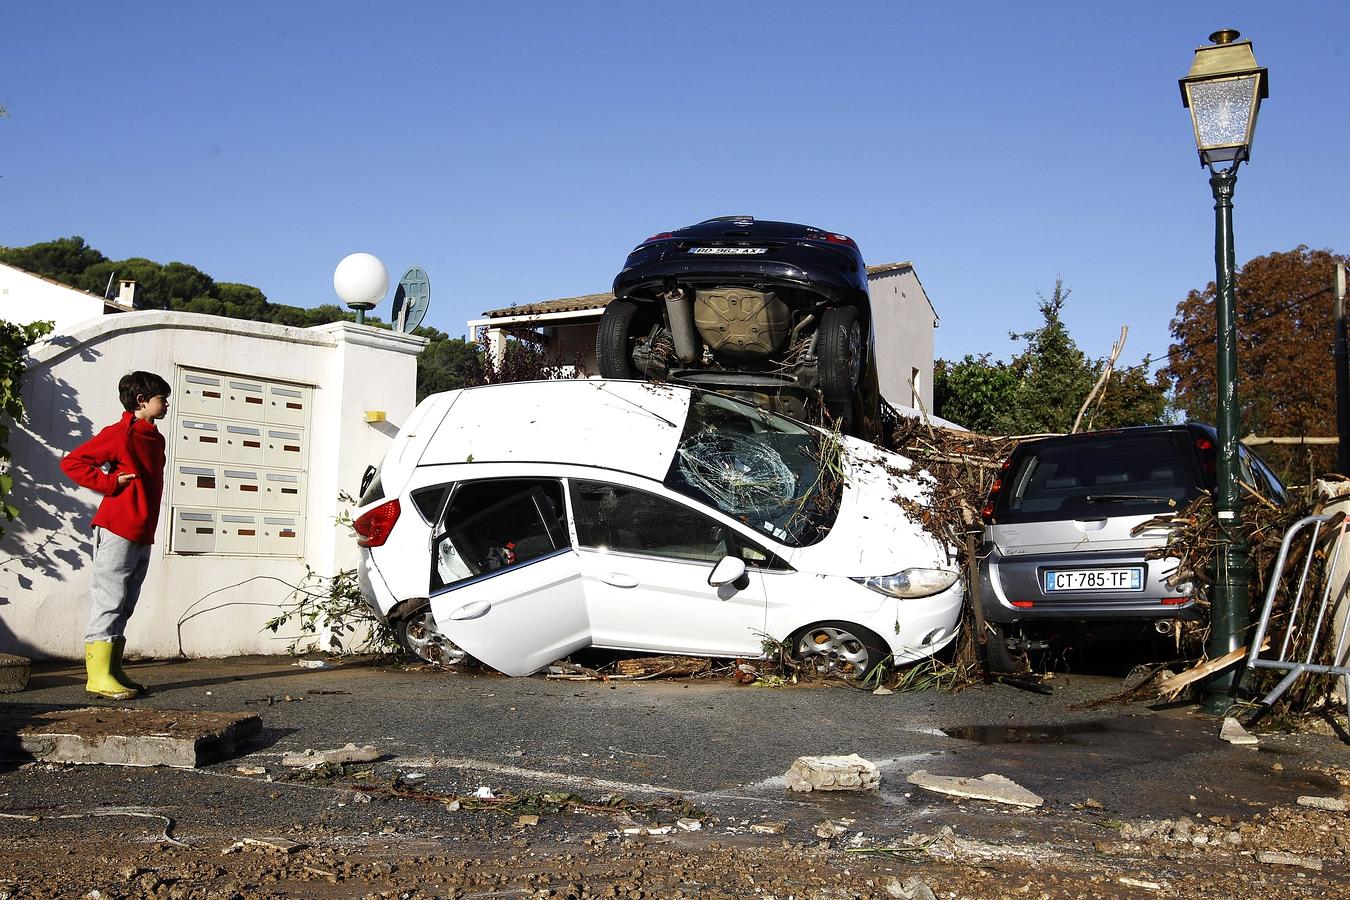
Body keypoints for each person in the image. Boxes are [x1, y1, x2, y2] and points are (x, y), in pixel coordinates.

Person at [60, 371, 171, 700]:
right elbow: (73, 463)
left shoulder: (156, 438)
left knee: (126, 602)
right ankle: (97, 677)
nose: (166, 404)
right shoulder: (120, 434)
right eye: (161, 399)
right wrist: (110, 483)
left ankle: (112, 669)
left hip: (142, 530)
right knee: (109, 599)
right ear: (142, 401)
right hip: (117, 528)